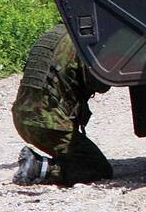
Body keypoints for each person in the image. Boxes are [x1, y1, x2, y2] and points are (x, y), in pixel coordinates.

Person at [11, 24, 113, 185]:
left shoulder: (55, 33)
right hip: (49, 124)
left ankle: (48, 162)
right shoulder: (84, 40)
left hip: (23, 116)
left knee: (74, 154)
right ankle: (39, 167)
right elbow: (101, 83)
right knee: (96, 167)